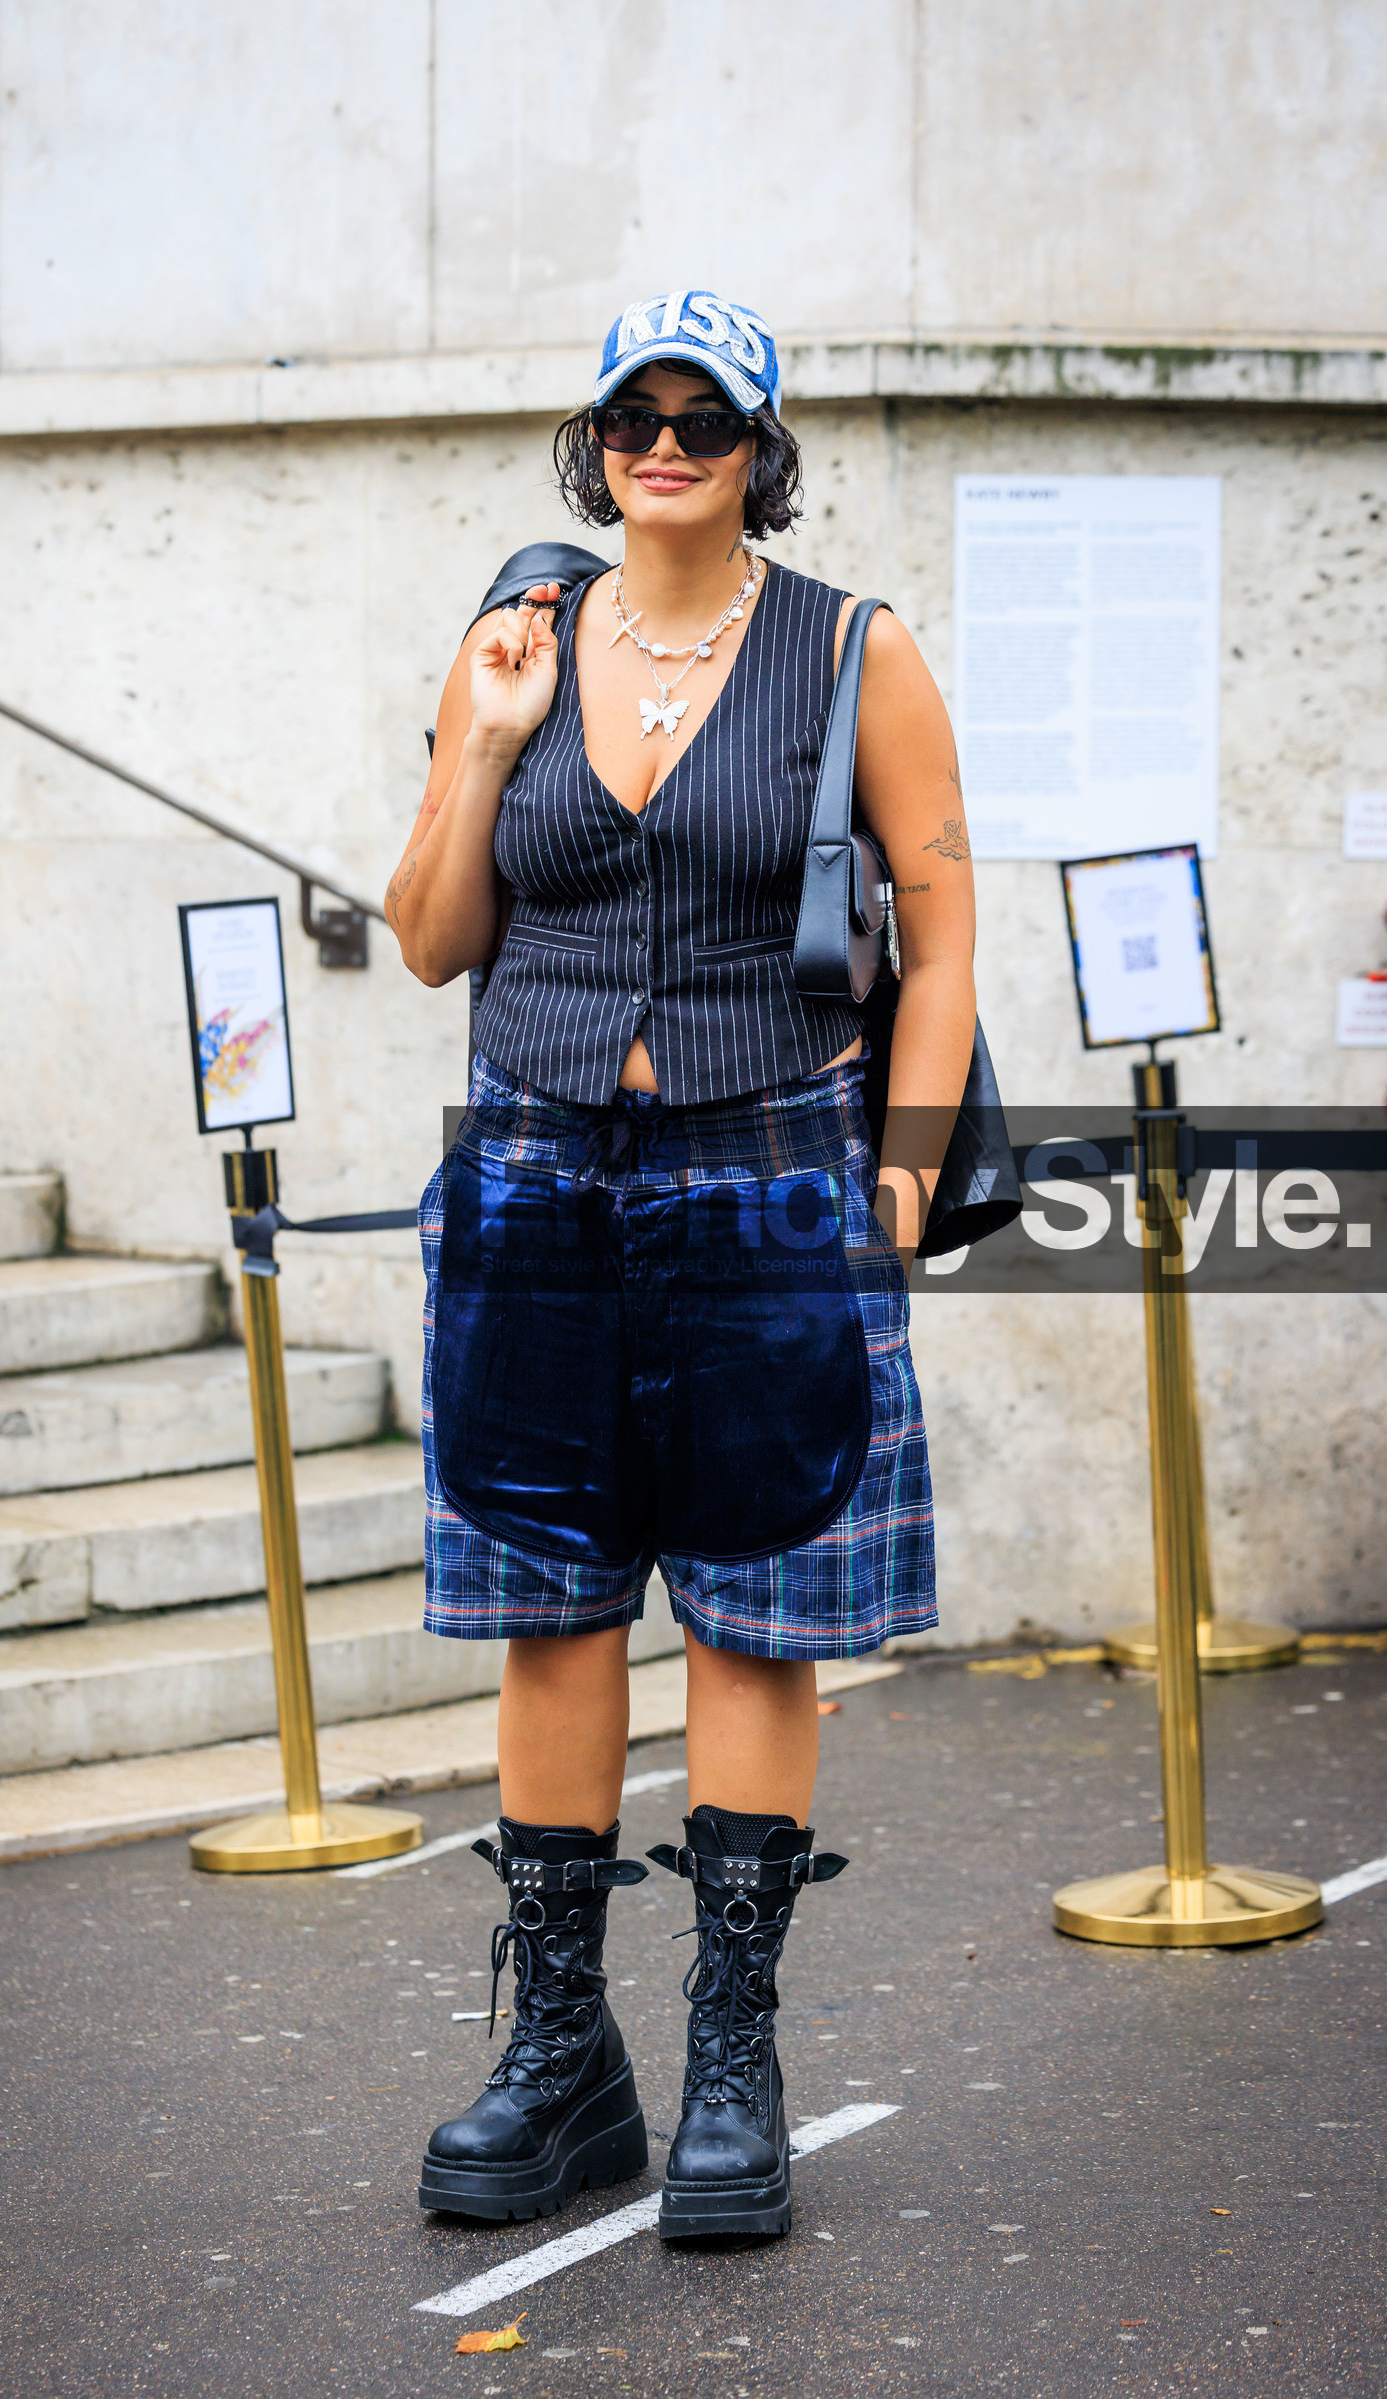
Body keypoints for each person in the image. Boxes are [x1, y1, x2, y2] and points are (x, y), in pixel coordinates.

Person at [385, 290, 975, 2240]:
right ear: (592, 436)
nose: (661, 441)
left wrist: (894, 1170)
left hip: (766, 1159)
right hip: (536, 1173)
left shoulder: (845, 648)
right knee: (551, 1609)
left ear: (755, 443)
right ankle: (561, 2061)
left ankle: (734, 2057)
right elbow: (425, 931)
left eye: (700, 415)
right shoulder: (519, 640)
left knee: (751, 1608)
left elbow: (945, 906)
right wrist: (476, 747)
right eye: (631, 412)